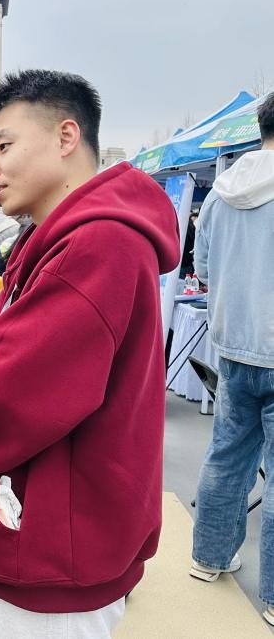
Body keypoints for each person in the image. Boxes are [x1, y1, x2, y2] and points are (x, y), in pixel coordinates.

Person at [0, 70, 180, 637]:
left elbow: (16, 389)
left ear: (66, 137)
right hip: (48, 519)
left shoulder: (98, 243)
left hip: (58, 536)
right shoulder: (51, 238)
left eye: (4, 146)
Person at [189, 91, 274, 624]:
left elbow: (202, 268)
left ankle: (209, 557)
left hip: (233, 346)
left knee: (226, 456)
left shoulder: (223, 191)